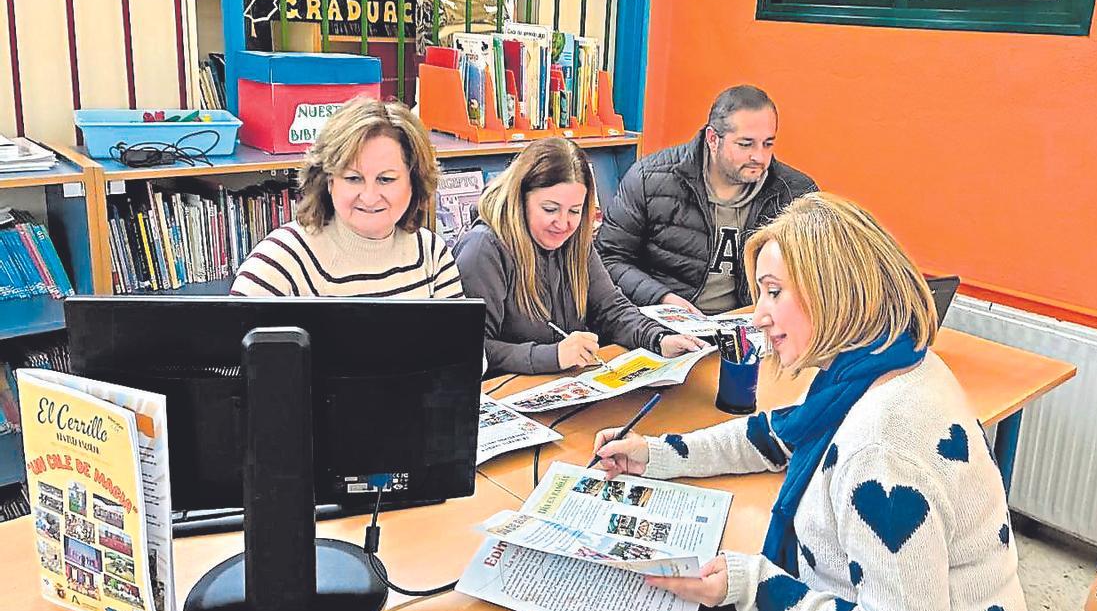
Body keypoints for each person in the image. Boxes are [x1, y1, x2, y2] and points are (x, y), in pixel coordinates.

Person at [594, 193, 1046, 611]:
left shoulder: (882, 448)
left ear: (832, 291)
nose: (757, 316)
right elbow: (773, 437)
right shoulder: (884, 364)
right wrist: (654, 455)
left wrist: (752, 587)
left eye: (773, 292)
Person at [453, 137, 703, 376]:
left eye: (575, 210)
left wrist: (659, 338)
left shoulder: (575, 240)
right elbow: (470, 349)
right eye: (550, 209)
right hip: (504, 393)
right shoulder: (483, 248)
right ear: (521, 199)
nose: (563, 223)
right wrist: (552, 356)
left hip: (564, 384)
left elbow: (610, 309)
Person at [596, 84, 817, 316]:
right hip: (662, 327)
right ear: (713, 139)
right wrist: (661, 297)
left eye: (768, 143)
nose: (759, 157)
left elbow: (815, 273)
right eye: (745, 144)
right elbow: (609, 258)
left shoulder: (795, 194)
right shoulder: (648, 179)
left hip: (755, 325)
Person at [231, 98, 463, 300]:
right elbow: (229, 349)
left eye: (386, 179)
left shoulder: (432, 255)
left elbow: (464, 351)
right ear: (329, 181)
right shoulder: (279, 260)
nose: (370, 197)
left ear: (415, 182)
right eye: (353, 178)